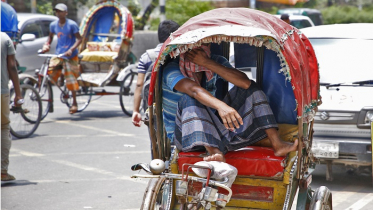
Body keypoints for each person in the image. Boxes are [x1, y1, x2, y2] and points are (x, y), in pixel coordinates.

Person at [162, 45, 298, 162]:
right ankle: (215, 153)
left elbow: (244, 83)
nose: (200, 48)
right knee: (190, 99)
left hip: (215, 131)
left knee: (251, 88)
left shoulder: (214, 61)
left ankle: (277, 144)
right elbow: (194, 91)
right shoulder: (172, 69)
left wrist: (207, 63)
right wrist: (222, 106)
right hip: (185, 135)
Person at [132, 20, 180, 127]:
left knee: (155, 137)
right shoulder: (181, 55)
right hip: (176, 106)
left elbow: (139, 84)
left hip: (153, 105)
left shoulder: (147, 56)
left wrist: (136, 111)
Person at [41, 3, 82, 114]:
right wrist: (47, 45)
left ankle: (74, 103)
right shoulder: (53, 25)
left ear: (66, 13)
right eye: (57, 11)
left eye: (60, 11)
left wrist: (71, 49)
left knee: (70, 77)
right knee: (48, 73)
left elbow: (79, 39)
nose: (58, 13)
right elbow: (50, 37)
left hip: (70, 55)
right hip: (59, 54)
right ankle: (50, 102)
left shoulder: (72, 25)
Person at [1, 32, 23, 181]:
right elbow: (12, 67)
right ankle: (2, 170)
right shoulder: (4, 38)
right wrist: (19, 94)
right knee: (3, 128)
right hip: (2, 92)